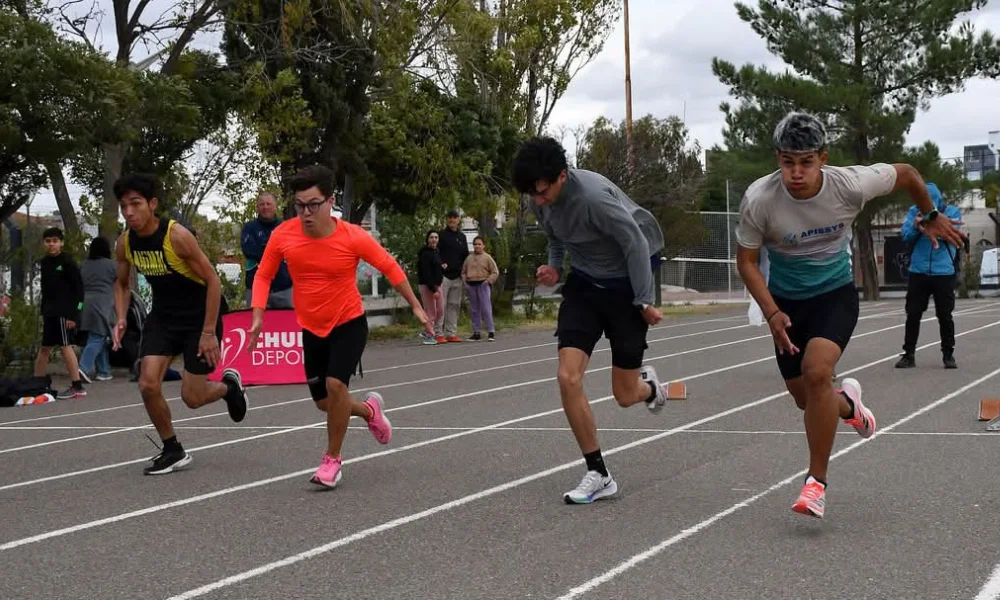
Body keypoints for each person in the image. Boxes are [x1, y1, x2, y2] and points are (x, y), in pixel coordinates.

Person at [734, 112, 965, 519]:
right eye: (788, 162)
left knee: (817, 372)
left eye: (806, 162)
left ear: (823, 158)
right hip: (785, 304)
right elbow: (747, 262)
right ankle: (850, 406)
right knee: (809, 401)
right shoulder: (760, 199)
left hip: (834, 295)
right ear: (778, 159)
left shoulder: (852, 184)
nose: (797, 173)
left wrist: (929, 215)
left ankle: (815, 485)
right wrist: (770, 313)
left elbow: (909, 174)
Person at [247, 164, 434, 489]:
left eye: (312, 204)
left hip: (348, 322)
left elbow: (389, 266)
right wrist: (258, 314)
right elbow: (263, 274)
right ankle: (369, 410)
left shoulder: (352, 236)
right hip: (310, 327)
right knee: (324, 403)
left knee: (336, 387)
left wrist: (416, 305)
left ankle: (331, 461)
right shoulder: (283, 234)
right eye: (299, 205)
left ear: (330, 201)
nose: (305, 212)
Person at [512, 136, 671, 505]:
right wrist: (553, 266)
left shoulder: (593, 198)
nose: (538, 200)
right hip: (584, 284)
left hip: (627, 284)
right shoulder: (539, 200)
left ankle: (652, 389)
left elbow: (636, 244)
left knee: (625, 395)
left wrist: (644, 300)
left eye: (542, 191)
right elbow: (556, 236)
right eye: (531, 194)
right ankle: (598, 472)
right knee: (567, 377)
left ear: (562, 177)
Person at [111, 173, 249, 476]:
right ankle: (173, 449)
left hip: (199, 317)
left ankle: (229, 388)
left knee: (192, 397)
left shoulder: (177, 237)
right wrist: (121, 317)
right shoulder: (125, 244)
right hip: (162, 318)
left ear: (152, 204)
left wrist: (209, 332)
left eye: (136, 204)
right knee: (147, 383)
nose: (130, 212)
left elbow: (213, 281)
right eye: (124, 206)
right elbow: (121, 285)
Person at [895, 182, 968, 370]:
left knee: (945, 315)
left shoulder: (951, 212)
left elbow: (949, 233)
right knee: (913, 313)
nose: (923, 207)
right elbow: (905, 235)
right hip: (918, 270)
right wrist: (916, 226)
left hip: (943, 271)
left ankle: (948, 355)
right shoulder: (914, 212)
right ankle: (908, 354)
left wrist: (928, 223)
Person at [34, 227, 86, 399]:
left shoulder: (67, 262)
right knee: (44, 349)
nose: (51, 244)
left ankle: (77, 386)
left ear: (61, 243)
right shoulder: (44, 262)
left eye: (55, 241)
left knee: (65, 347)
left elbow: (79, 291)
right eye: (48, 241)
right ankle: (37, 384)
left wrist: (74, 315)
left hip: (64, 313)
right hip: (49, 312)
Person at [241, 191, 294, 309]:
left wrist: (267, 248)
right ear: (257, 207)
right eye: (262, 204)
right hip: (256, 289)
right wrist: (275, 250)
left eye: (268, 204)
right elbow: (249, 250)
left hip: (284, 288)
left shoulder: (286, 227)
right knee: (254, 325)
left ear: (275, 207)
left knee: (289, 325)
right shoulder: (249, 228)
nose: (265, 207)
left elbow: (290, 251)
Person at [79, 236, 118, 382]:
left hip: (85, 304)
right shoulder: (112, 265)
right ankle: (83, 368)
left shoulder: (84, 265)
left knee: (96, 335)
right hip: (103, 304)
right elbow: (121, 283)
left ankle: (104, 371)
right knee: (98, 337)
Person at [437, 209, 468, 342]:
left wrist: (464, 272)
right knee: (441, 306)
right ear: (447, 219)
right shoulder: (441, 235)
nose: (452, 220)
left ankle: (451, 333)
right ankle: (438, 333)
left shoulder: (462, 237)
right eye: (450, 217)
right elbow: (435, 253)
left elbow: (465, 256)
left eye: (454, 218)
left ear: (458, 220)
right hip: (444, 276)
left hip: (458, 276)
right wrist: (440, 264)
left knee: (454, 305)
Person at [461, 236, 499, 341]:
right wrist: (465, 283)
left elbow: (495, 272)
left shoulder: (487, 258)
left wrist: (488, 281)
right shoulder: (469, 258)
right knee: (474, 310)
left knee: (486, 309)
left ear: (483, 246)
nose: (477, 246)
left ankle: (491, 332)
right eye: (475, 244)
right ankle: (476, 332)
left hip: (483, 284)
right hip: (471, 285)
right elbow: (463, 272)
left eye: (479, 244)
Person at [417, 230, 445, 344]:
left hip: (438, 284)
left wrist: (441, 266)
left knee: (441, 310)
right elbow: (426, 272)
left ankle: (428, 330)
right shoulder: (425, 253)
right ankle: (429, 335)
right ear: (428, 239)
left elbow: (435, 266)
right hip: (428, 285)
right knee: (431, 312)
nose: (434, 240)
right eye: (431, 237)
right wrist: (433, 289)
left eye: (436, 237)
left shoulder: (436, 251)